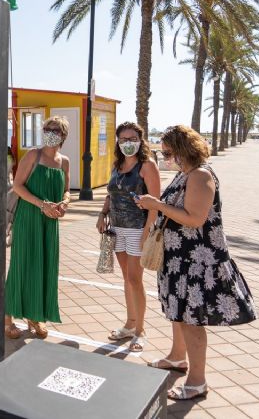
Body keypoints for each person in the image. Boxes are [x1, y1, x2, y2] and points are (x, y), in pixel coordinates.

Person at [135, 125, 256, 400]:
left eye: (168, 153)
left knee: (192, 320)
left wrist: (157, 205)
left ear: (183, 150)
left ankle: (197, 381)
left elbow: (195, 218)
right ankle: (177, 357)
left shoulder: (201, 175)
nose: (165, 158)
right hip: (179, 259)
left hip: (196, 261)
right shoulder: (186, 173)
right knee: (179, 313)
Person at [5, 116, 71, 339]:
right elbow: (18, 186)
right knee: (21, 265)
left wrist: (65, 202)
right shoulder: (33, 155)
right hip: (29, 217)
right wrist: (42, 204)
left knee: (44, 267)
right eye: (46, 128)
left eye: (55, 130)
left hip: (49, 222)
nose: (50, 132)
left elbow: (67, 190)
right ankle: (7, 318)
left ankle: (34, 317)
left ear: (63, 135)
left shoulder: (64, 162)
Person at [96, 122, 160, 352]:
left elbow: (155, 203)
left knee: (135, 279)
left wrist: (146, 233)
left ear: (141, 140)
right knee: (126, 278)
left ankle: (140, 330)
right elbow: (111, 194)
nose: (128, 143)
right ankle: (130, 324)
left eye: (132, 139)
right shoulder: (117, 164)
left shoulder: (147, 165)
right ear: (118, 141)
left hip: (136, 229)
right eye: (123, 139)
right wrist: (102, 214)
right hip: (117, 229)